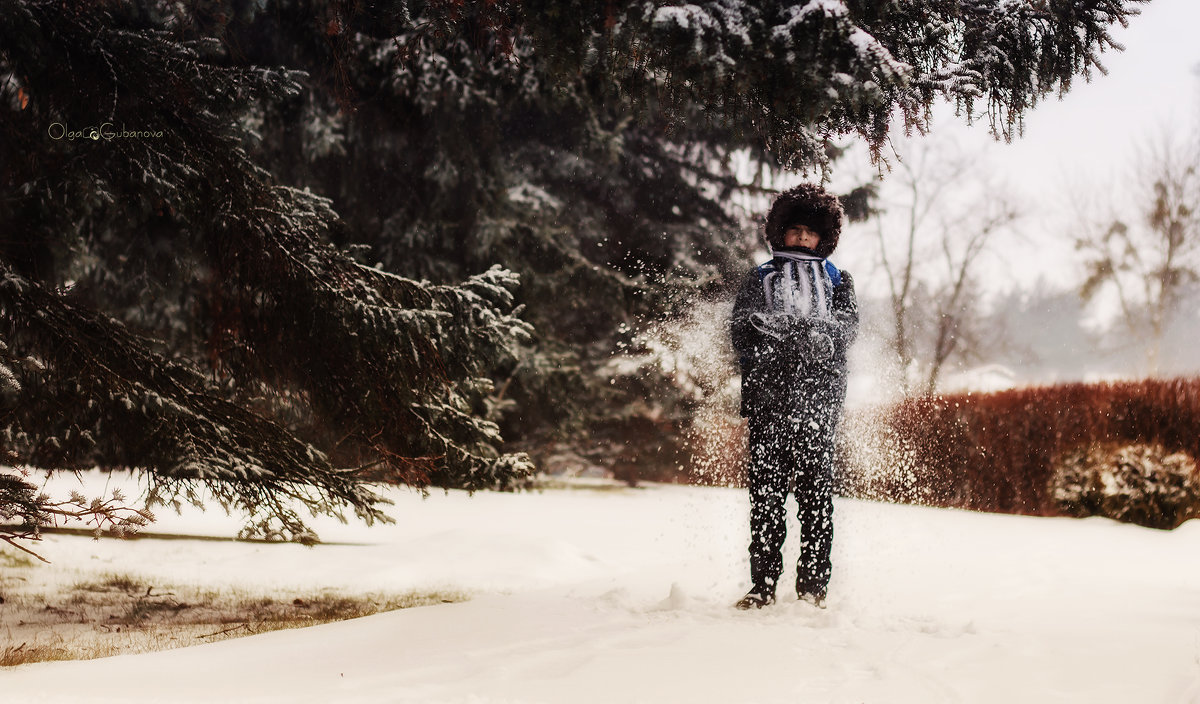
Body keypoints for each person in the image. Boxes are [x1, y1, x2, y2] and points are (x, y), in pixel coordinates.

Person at [729, 183, 859, 609]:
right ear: (779, 231)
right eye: (795, 229)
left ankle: (813, 590)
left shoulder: (838, 280)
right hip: (768, 405)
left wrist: (809, 333)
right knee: (765, 500)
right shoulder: (761, 276)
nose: (803, 238)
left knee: (817, 500)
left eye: (811, 232)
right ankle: (761, 586)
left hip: (819, 408)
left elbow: (846, 330)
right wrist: (767, 334)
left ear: (825, 237)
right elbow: (742, 329)